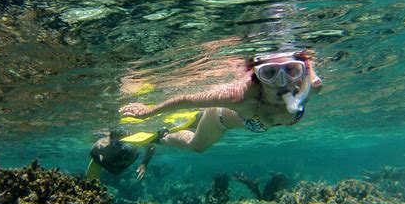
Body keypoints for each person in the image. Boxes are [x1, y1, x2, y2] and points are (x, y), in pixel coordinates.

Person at [120, 49, 322, 153]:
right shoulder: (240, 98)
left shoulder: (308, 88)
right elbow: (187, 100)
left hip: (241, 121)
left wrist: (307, 66)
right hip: (219, 119)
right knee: (196, 147)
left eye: (291, 70)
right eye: (270, 73)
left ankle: (189, 122)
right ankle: (162, 137)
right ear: (258, 75)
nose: (282, 82)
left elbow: (309, 66)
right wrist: (148, 112)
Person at [88, 127, 155, 180]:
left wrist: (143, 164)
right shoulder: (103, 145)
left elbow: (151, 147)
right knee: (116, 169)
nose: (122, 147)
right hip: (109, 160)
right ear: (110, 140)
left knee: (133, 155)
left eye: (124, 142)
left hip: (127, 160)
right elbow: (93, 153)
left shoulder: (134, 143)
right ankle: (103, 158)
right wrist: (108, 167)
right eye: (117, 143)